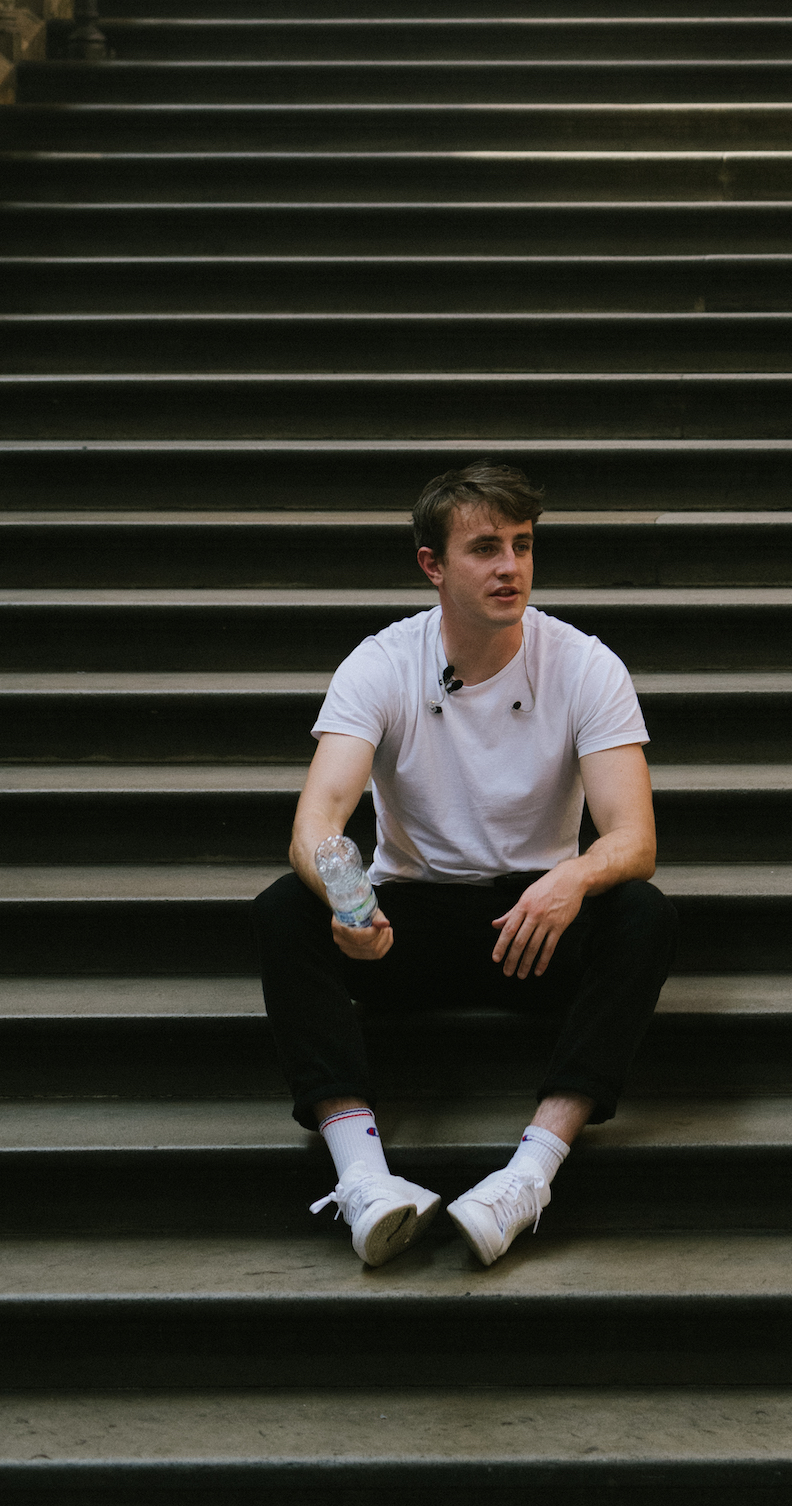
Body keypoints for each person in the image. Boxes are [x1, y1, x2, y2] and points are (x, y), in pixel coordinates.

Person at [255, 460, 672, 1270]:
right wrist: (349, 904)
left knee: (644, 911)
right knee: (282, 907)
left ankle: (529, 1173)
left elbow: (634, 839)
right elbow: (319, 821)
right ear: (432, 565)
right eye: (485, 548)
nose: (510, 566)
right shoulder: (380, 663)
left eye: (521, 545)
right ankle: (367, 1181)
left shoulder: (585, 665)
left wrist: (574, 878)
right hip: (408, 920)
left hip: (533, 926)